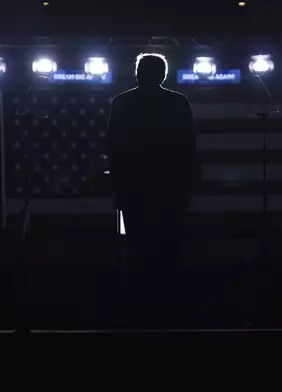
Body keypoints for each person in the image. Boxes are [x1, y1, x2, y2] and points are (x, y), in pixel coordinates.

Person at [107, 54, 199, 322]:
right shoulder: (178, 102)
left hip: (135, 185)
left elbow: (114, 148)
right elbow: (188, 147)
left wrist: (118, 187)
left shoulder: (122, 102)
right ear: (164, 75)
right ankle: (171, 300)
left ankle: (135, 300)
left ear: (137, 73)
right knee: (170, 244)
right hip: (169, 186)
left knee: (136, 244)